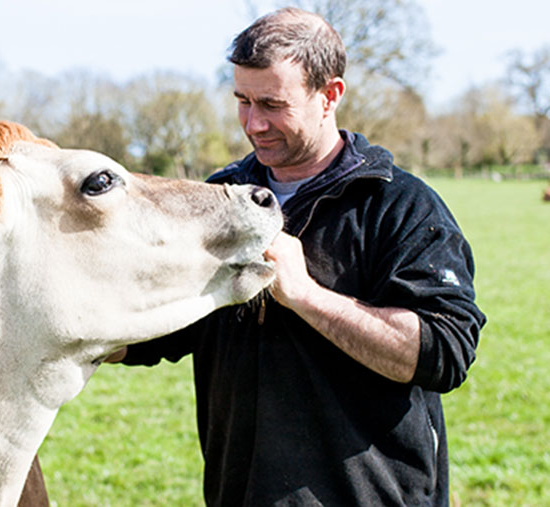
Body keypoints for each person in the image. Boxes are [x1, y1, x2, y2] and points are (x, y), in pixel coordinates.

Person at [112, 7, 485, 506]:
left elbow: (443, 352)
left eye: (272, 103)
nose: (253, 123)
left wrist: (305, 295)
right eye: (242, 101)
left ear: (330, 95)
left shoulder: (400, 206)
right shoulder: (221, 200)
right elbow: (158, 327)